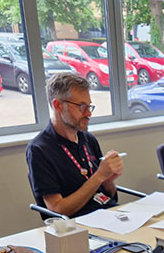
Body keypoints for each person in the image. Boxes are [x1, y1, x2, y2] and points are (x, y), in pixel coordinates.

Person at [27, 73, 124, 218]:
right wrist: (99, 177)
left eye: (89, 106)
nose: (88, 113)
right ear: (58, 105)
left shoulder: (88, 139)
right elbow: (57, 209)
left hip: (110, 215)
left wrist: (108, 181)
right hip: (78, 227)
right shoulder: (39, 150)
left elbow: (110, 197)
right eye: (82, 106)